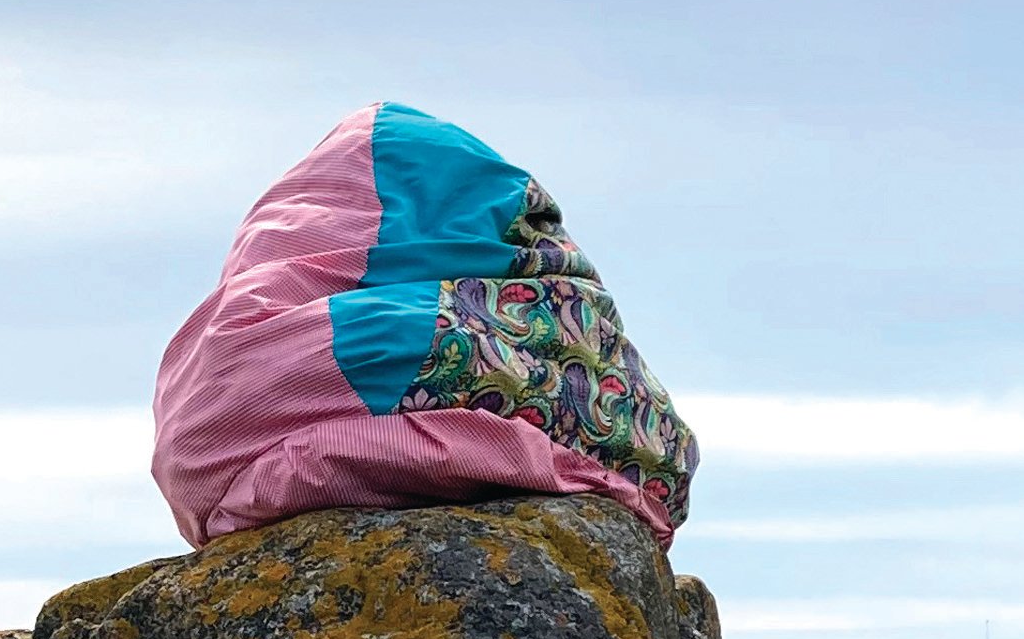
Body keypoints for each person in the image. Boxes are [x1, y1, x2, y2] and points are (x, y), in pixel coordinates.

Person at [150, 103, 696, 548]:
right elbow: (664, 462)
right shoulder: (454, 314)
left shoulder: (207, 359)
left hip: (207, 474)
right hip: (267, 442)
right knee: (417, 340)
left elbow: (196, 448)